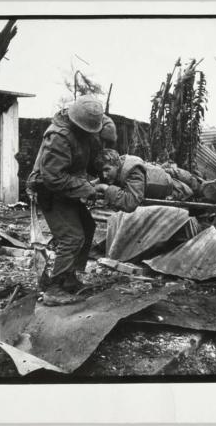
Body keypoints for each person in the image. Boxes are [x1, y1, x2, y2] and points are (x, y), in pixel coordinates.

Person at [27, 95, 103, 306]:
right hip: (49, 190)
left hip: (66, 188)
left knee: (87, 227)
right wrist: (87, 188)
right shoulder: (59, 137)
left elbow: (85, 160)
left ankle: (69, 277)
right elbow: (53, 177)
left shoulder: (82, 132)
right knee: (71, 237)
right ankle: (54, 288)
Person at [93, 149, 201, 212]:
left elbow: (131, 202)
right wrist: (95, 182)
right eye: (102, 171)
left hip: (174, 189)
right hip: (162, 175)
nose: (104, 175)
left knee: (199, 195)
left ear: (116, 164)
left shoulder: (132, 171)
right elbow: (109, 174)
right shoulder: (118, 163)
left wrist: (104, 188)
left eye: (107, 170)